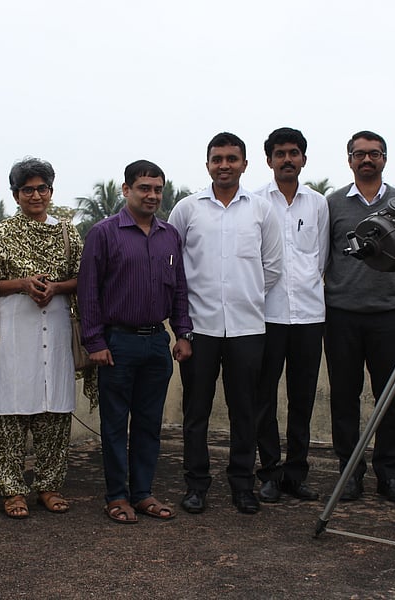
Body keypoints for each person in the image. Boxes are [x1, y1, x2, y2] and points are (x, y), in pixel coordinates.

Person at [168, 132, 283, 515]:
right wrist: (182, 324)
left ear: (245, 164)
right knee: (196, 411)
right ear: (207, 165)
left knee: (245, 412)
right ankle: (196, 485)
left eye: (232, 159)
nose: (224, 165)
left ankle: (242, 484)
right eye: (217, 159)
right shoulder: (187, 209)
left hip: (248, 329)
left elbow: (272, 267)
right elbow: (173, 268)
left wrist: (243, 295)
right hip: (199, 329)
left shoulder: (261, 210)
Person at [78, 160, 193, 524]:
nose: (152, 195)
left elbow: (179, 288)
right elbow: (88, 291)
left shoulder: (168, 234)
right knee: (114, 425)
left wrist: (183, 333)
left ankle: (142, 493)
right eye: (144, 188)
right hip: (117, 344)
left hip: (157, 343)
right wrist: (94, 341)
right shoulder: (104, 233)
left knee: (148, 424)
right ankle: (116, 496)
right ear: (126, 190)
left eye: (157, 189)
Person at [0, 157, 82, 519]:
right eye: (27, 190)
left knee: (54, 413)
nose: (35, 195)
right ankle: (12, 491)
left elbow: (85, 279)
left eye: (41, 188)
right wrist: (22, 284)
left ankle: (49, 487)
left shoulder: (68, 232)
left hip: (57, 330)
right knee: (9, 415)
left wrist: (56, 287)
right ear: (16, 195)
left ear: (51, 191)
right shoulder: (4, 234)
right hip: (14, 336)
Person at [323, 130, 395, 505]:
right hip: (341, 315)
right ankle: (350, 473)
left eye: (374, 154)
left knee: (389, 398)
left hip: (391, 315)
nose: (366, 160)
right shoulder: (332, 205)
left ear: (384, 159)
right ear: (349, 160)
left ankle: (389, 475)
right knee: (344, 397)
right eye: (359, 154)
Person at [252, 127, 328, 504]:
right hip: (267, 315)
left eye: (294, 153)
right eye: (280, 153)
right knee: (263, 398)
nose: (287, 159)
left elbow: (322, 256)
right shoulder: (255, 202)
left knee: (302, 399)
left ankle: (296, 474)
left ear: (303, 159)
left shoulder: (317, 204)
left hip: (310, 316)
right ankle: (268, 472)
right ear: (269, 160)